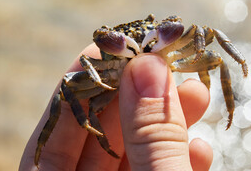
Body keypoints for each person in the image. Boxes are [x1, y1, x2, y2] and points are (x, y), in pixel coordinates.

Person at [19, 44, 213, 171]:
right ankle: (47, 147)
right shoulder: (101, 52)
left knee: (211, 55)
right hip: (106, 78)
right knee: (69, 92)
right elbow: (86, 62)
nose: (137, 41)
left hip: (111, 83)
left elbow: (200, 36)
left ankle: (225, 103)